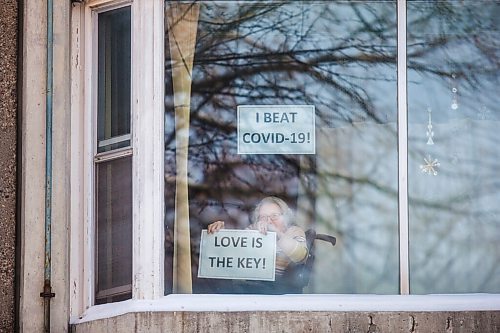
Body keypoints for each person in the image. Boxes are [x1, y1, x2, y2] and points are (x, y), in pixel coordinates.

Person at [207, 196, 308, 293]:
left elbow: (300, 256)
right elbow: (234, 255)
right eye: (263, 217)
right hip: (247, 289)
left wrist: (276, 232)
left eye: (274, 216)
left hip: (278, 292)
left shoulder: (294, 231)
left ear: (286, 217)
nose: (269, 221)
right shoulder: (254, 229)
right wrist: (220, 235)